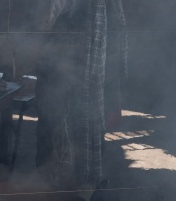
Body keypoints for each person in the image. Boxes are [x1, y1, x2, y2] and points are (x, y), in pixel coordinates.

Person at [34, 0, 127, 188]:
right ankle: (86, 195)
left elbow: (42, 22)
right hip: (95, 81)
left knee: (57, 138)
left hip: (65, 81)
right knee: (87, 137)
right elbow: (119, 38)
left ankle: (58, 199)